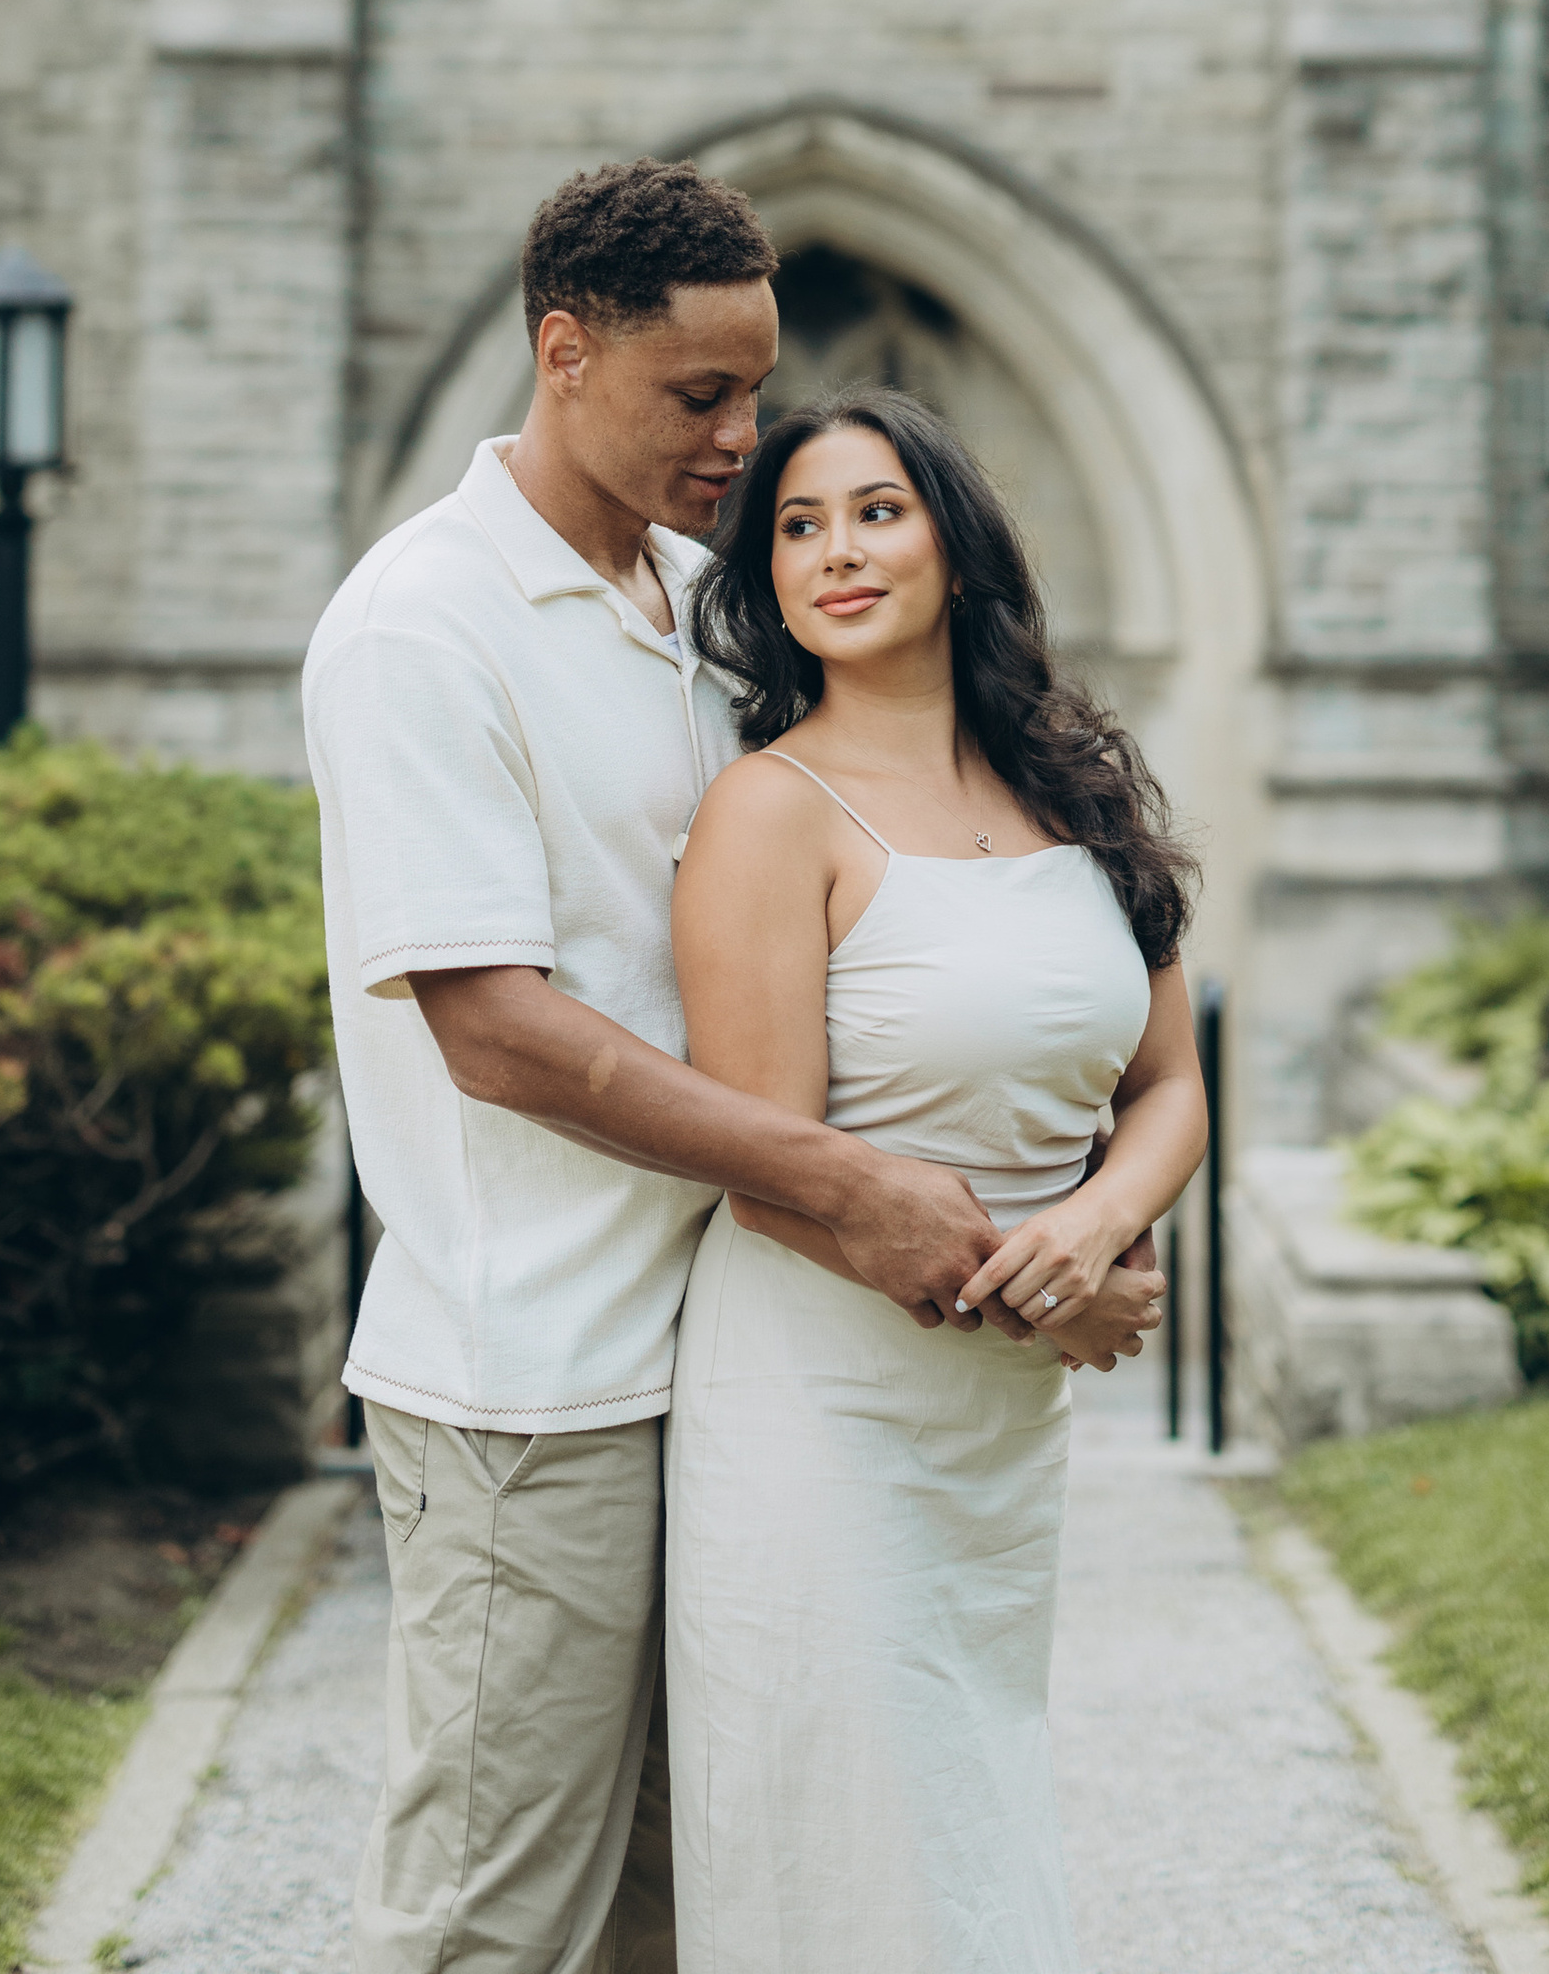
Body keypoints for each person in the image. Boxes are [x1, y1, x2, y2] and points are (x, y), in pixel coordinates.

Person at [304, 161, 1040, 1974]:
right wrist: (845, 1183)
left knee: (675, 1907)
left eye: (753, 391)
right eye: (695, 395)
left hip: (726, 1367)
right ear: (564, 353)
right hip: (527, 1381)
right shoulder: (423, 625)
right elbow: (500, 1033)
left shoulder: (715, 608)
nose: (742, 438)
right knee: (488, 1919)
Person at [666, 388, 1209, 1974]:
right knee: (843, 1842)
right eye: (798, 524)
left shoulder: (1079, 790)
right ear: (767, 580)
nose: (837, 550)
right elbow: (773, 1171)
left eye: (877, 510)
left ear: (957, 548)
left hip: (998, 1425)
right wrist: (1049, 1301)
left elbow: (1168, 1085)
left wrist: (1103, 1224)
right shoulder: (768, 812)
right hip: (819, 1402)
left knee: (968, 1818)